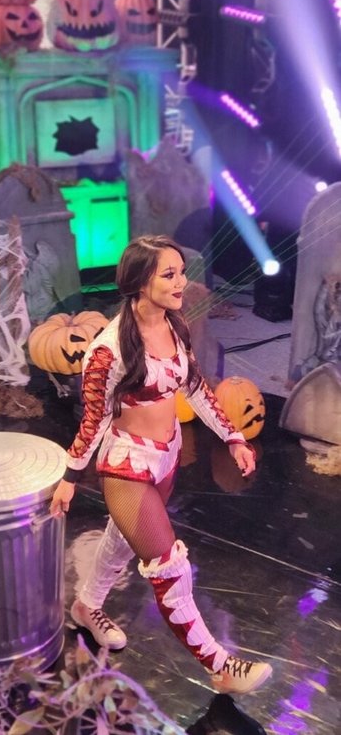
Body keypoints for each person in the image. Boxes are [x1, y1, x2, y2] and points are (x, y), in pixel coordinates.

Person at [50, 235, 272, 695]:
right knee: (170, 567)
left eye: (181, 272)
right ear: (139, 282)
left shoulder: (175, 325)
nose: (181, 282)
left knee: (121, 542)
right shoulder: (108, 349)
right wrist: (70, 476)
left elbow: (195, 387)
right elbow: (94, 419)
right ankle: (220, 665)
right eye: (169, 274)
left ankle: (86, 607)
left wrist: (233, 436)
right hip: (126, 466)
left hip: (166, 458)